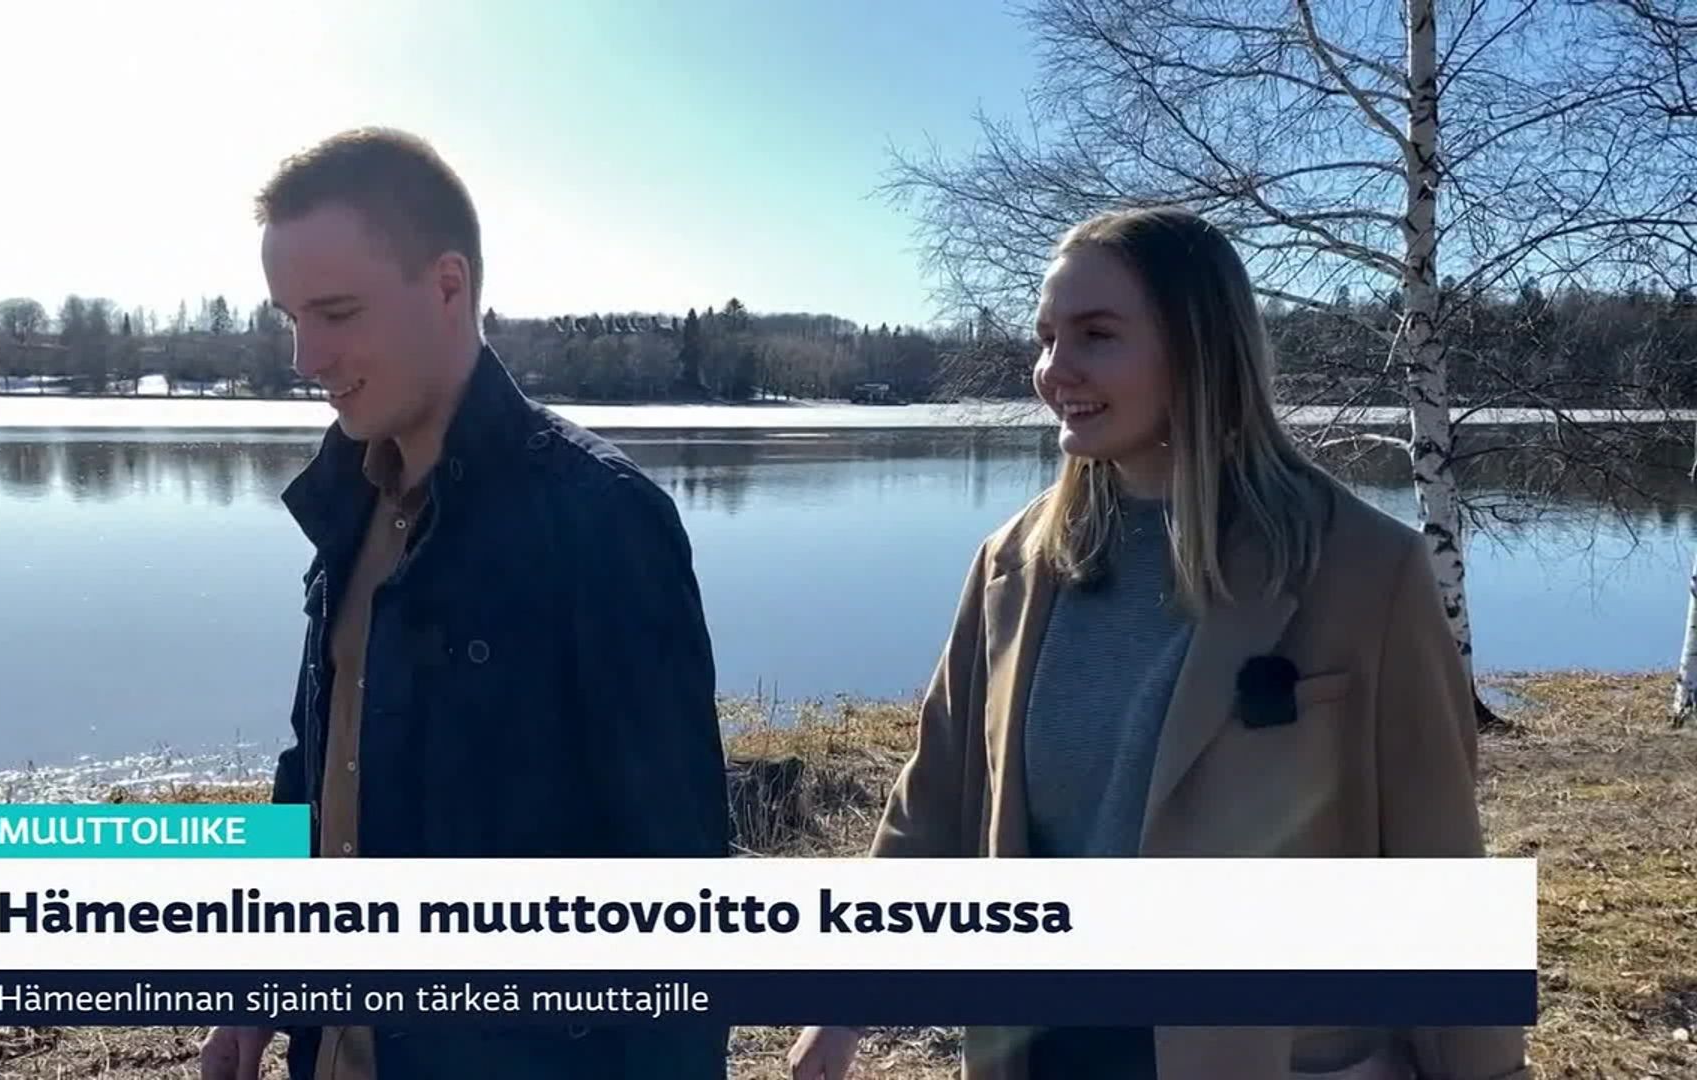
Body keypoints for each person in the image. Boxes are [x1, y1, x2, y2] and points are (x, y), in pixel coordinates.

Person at [788, 207, 1530, 1080]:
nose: (1054, 370)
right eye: (1046, 339)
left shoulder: (1366, 570)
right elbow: (934, 804)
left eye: (1096, 335)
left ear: (1199, 347)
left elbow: (1438, 871)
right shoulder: (1011, 568)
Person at [199, 127, 731, 1080]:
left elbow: (677, 894)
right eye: (289, 318)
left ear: (448, 286)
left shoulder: (601, 521)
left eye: (335, 313)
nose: (305, 356)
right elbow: (317, 760)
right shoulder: (350, 501)